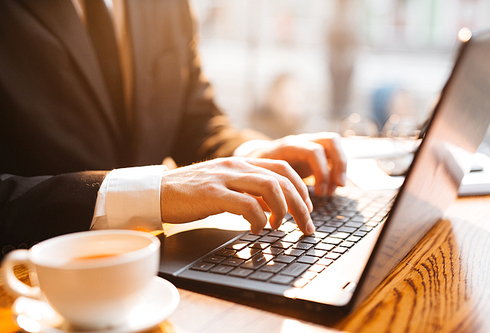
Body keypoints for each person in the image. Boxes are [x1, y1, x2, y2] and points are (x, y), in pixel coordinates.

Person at [0, 0, 346, 256]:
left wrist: (250, 155)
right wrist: (152, 192)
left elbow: (193, 118)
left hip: (155, 272)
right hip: (33, 280)